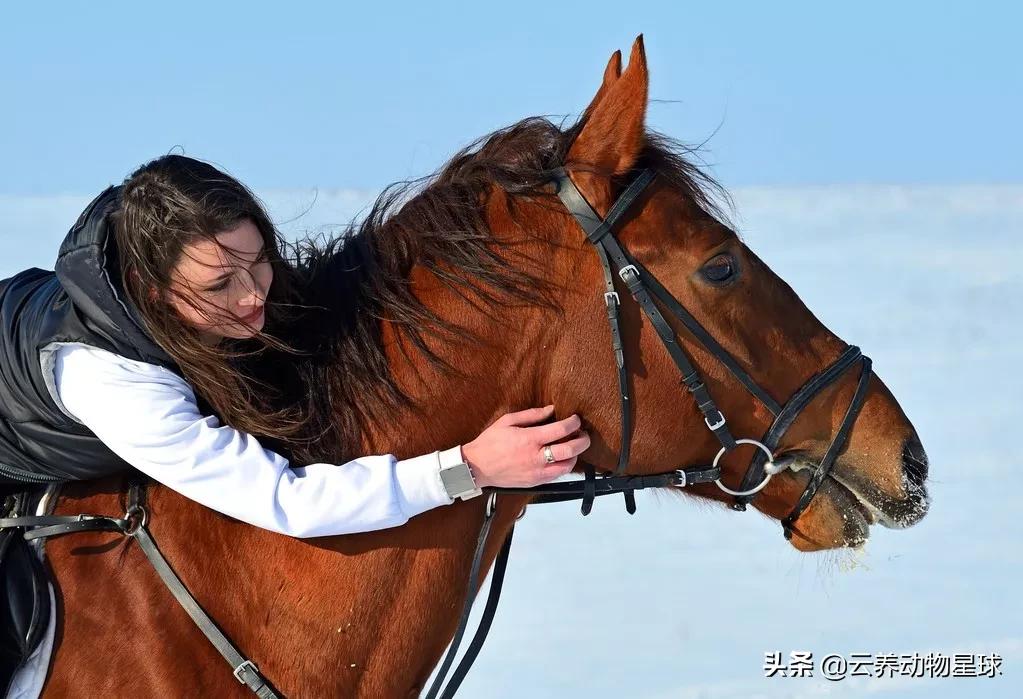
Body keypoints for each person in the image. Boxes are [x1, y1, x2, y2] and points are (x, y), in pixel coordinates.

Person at [0, 154, 590, 538]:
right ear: (151, 291)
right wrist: (469, 468)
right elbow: (285, 503)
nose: (253, 296)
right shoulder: (114, 386)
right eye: (219, 285)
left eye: (259, 264)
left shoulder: (211, 274)